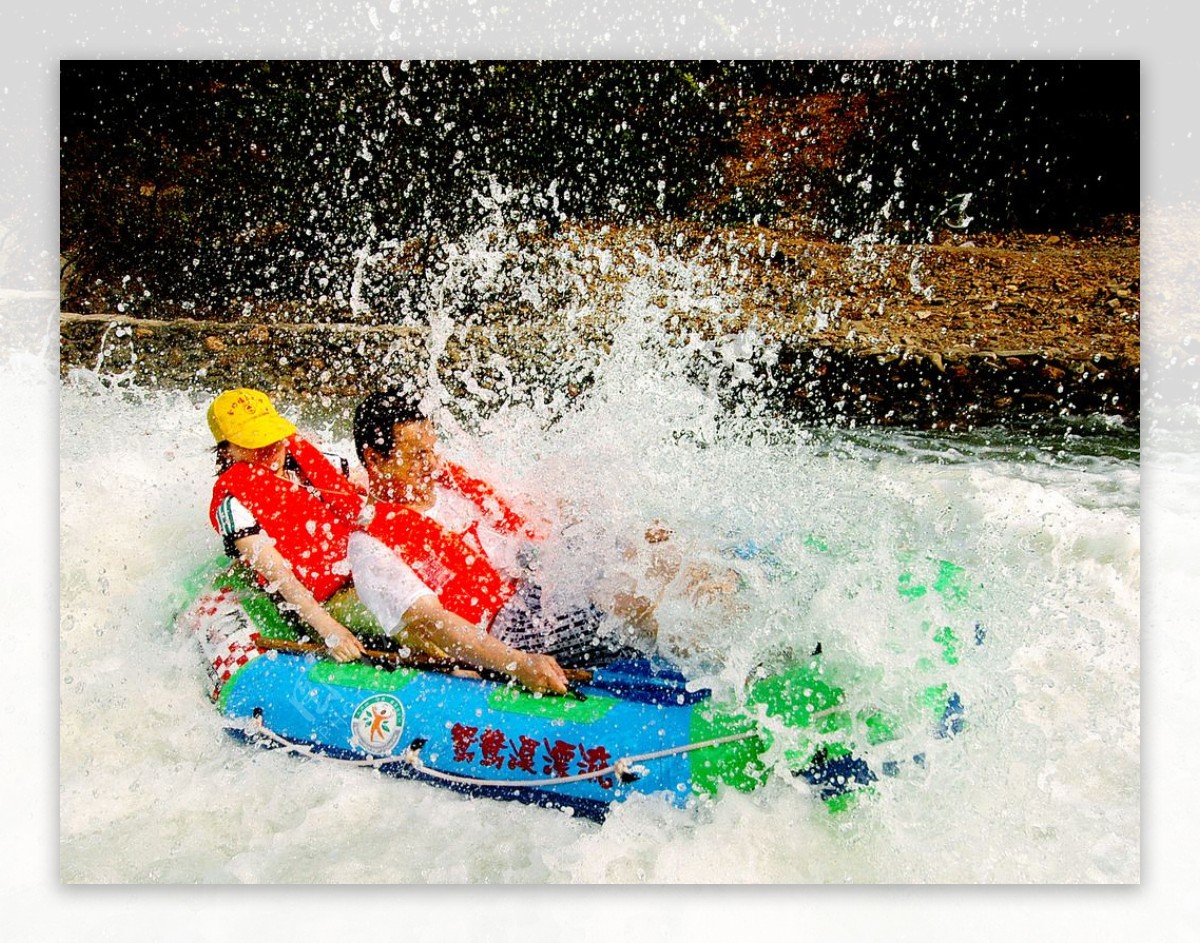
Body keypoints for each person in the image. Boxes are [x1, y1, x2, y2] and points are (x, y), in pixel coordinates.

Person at [347, 390, 660, 695]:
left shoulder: (452, 482)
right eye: (417, 455)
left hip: (536, 584)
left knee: (652, 556)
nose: (432, 463)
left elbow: (531, 523)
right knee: (635, 603)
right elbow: (434, 623)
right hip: (508, 630)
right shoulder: (371, 547)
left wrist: (616, 537)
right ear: (375, 460)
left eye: (431, 449)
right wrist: (518, 664)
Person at [206, 387, 371, 663]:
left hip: (364, 569)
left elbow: (369, 484)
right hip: (324, 601)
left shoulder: (306, 464)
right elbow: (280, 576)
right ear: (227, 452)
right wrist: (329, 630)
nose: (268, 450)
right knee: (402, 610)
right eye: (252, 444)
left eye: (271, 438)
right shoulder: (234, 505)